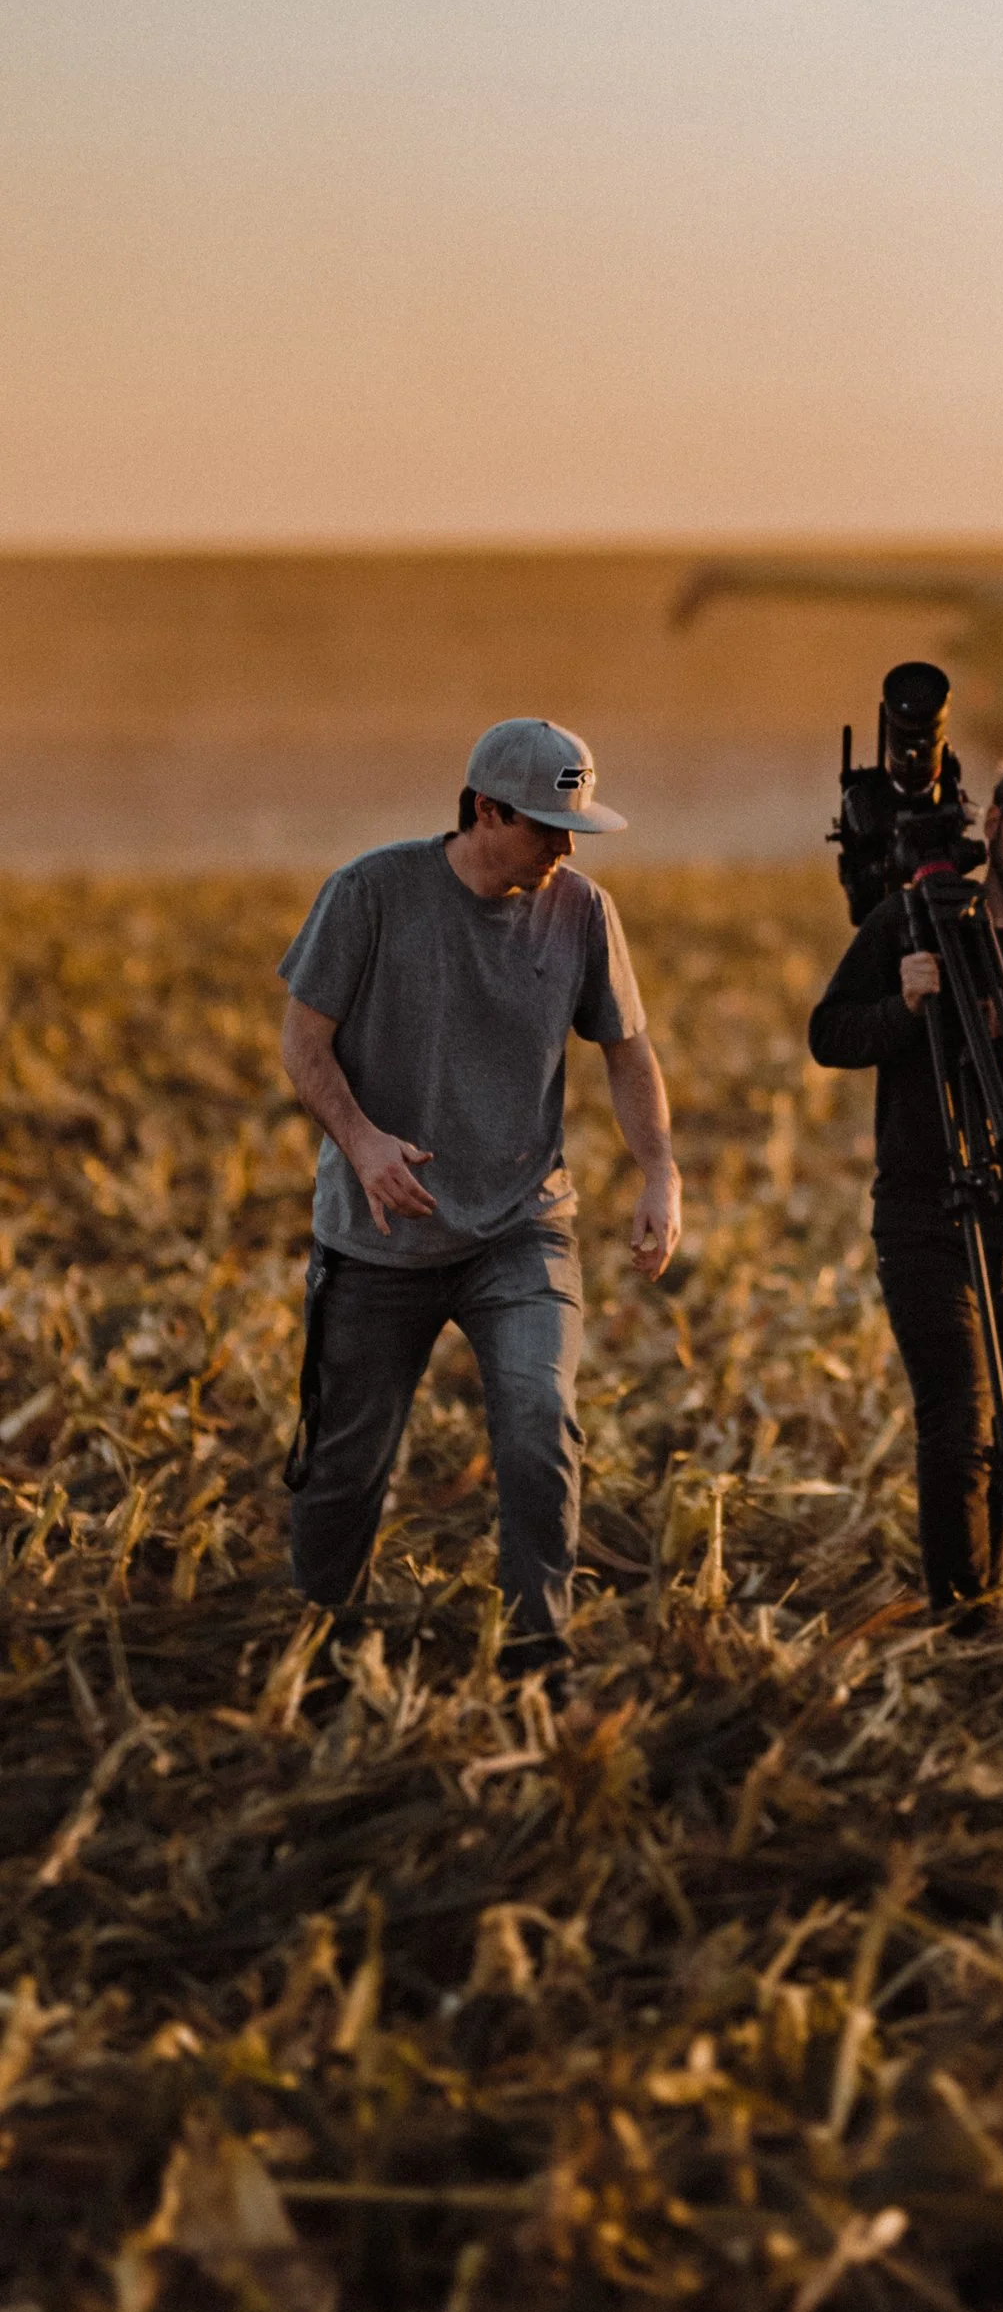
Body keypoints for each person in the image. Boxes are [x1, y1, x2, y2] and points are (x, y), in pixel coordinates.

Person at [275, 719, 681, 1690]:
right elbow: (302, 1041)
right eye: (546, 824)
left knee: (541, 1420)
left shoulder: (583, 910)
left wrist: (660, 1169)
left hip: (522, 1227)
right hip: (381, 1236)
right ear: (485, 809)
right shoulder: (370, 893)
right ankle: (322, 1654)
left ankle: (540, 1653)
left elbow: (627, 1052)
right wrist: (364, 1142)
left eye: (575, 825)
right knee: (343, 1467)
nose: (564, 846)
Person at [808, 751, 1003, 1614]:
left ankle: (979, 1590)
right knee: (956, 1419)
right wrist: (903, 1007)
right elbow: (829, 1033)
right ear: (992, 822)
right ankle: (962, 1617)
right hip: (920, 1203)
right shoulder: (907, 923)